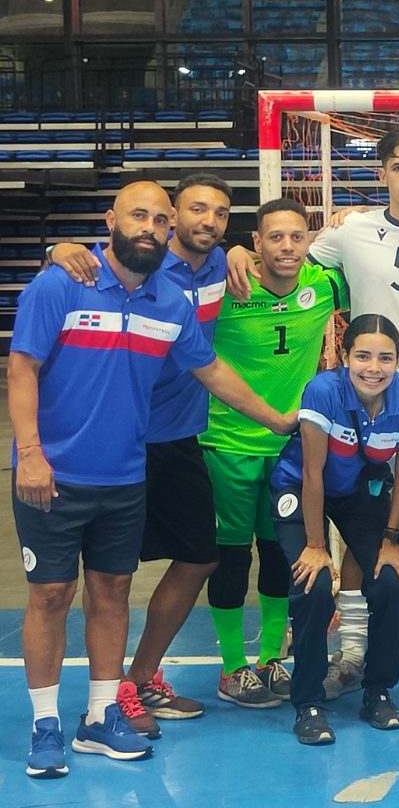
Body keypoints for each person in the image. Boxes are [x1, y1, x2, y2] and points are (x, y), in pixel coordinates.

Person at [11, 181, 292, 778]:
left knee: (113, 591)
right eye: (139, 215)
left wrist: (278, 420)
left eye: (158, 220)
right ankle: (45, 724)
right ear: (110, 220)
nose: (150, 227)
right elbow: (23, 367)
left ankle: (102, 714)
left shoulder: (172, 299)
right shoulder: (64, 282)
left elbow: (210, 368)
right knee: (52, 595)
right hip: (56, 473)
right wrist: (29, 453)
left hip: (129, 469)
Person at [228, 125, 399, 699]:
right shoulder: (351, 231)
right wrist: (239, 250)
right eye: (398, 167)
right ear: (382, 174)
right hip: (362, 400)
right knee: (360, 529)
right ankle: (351, 651)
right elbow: (288, 258)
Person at [51, 173, 236, 736]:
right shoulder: (142, 261)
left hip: (179, 437)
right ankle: (108, 699)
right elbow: (84, 266)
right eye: (196, 209)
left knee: (200, 555)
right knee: (109, 577)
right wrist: (55, 249)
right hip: (121, 442)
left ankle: (140, 678)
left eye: (221, 213)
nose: (208, 221)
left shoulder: (221, 262)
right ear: (172, 215)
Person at [201, 198, 347, 709]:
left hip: (290, 450)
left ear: (309, 241)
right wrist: (228, 254)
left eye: (297, 237)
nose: (287, 247)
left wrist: (354, 224)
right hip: (227, 444)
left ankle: (268, 659)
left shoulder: (325, 285)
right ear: (256, 243)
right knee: (230, 557)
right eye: (275, 237)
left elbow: (382, 266)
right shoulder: (226, 286)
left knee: (279, 554)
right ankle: (231, 667)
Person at [271, 314, 399, 746]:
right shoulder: (323, 391)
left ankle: (378, 691)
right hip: (301, 486)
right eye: (363, 356)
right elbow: (313, 472)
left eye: (385, 358)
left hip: (360, 493)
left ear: (398, 361)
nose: (373, 368)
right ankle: (308, 702)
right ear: (344, 356)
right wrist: (316, 546)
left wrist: (391, 538)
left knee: (390, 582)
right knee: (314, 584)